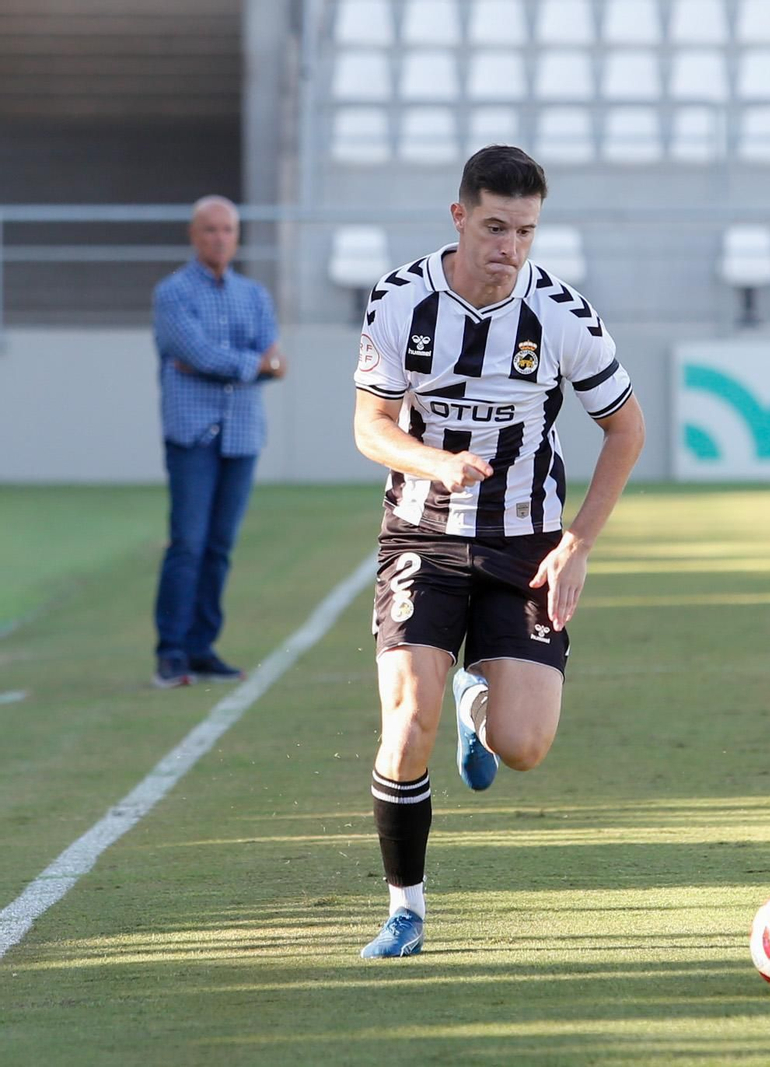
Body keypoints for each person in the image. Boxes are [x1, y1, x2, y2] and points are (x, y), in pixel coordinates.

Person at [351, 145, 646, 958]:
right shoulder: (401, 301)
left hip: (525, 544)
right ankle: (405, 907)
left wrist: (578, 542)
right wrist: (435, 462)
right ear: (459, 216)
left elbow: (626, 429)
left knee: (525, 748)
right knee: (406, 720)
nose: (508, 248)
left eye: (524, 230)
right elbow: (370, 424)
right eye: (493, 227)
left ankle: (477, 706)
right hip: (422, 536)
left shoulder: (561, 315)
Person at [151, 195, 287, 688]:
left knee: (220, 546)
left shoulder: (254, 295)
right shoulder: (172, 293)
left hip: (242, 434)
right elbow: (194, 351)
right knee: (187, 543)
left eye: (227, 229)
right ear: (194, 235)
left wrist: (234, 363)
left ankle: (201, 647)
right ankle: (171, 652)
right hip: (193, 434)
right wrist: (252, 365)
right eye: (209, 230)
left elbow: (271, 357)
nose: (219, 238)